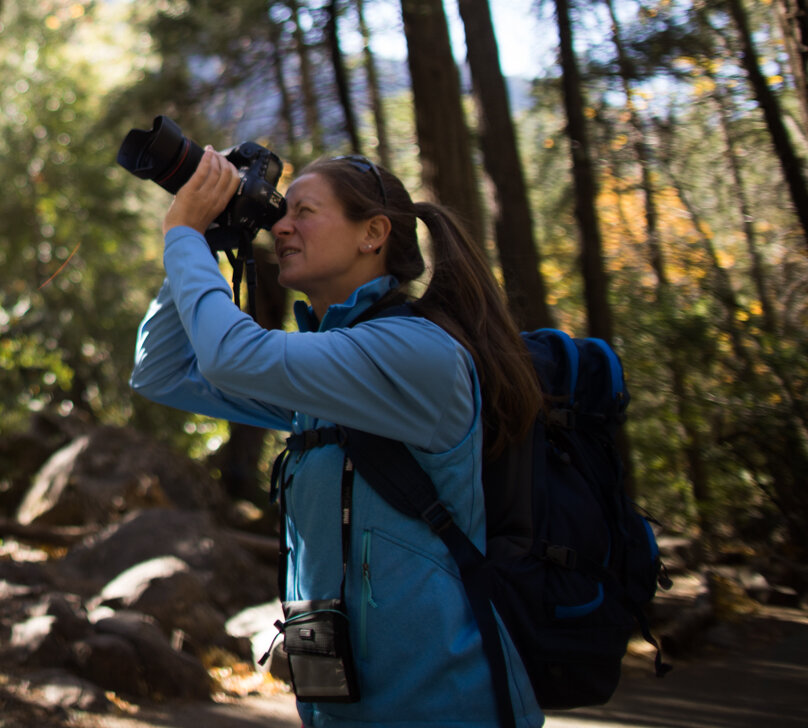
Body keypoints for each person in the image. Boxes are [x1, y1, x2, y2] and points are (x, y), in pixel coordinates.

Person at [130, 149, 545, 728]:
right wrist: (203, 244)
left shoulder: (416, 353)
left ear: (372, 234)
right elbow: (162, 371)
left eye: (305, 211)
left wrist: (184, 236)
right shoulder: (332, 371)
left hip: (445, 705)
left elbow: (229, 356)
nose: (280, 226)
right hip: (344, 712)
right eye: (282, 212)